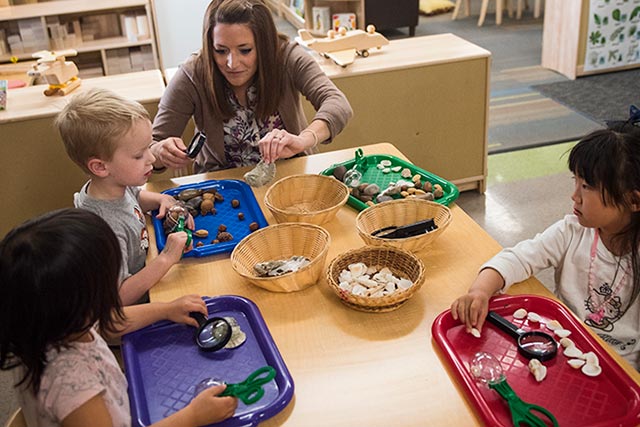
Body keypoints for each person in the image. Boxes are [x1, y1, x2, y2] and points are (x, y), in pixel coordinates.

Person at [0, 208, 237, 427]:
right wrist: (192, 417)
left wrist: (166, 309)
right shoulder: (74, 388)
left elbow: (111, 322)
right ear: (79, 302)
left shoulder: (51, 323)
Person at [451, 128, 640, 370]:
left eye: (587, 187)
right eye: (576, 182)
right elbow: (518, 258)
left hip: (619, 369)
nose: (575, 196)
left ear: (633, 201)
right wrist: (479, 291)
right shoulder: (571, 232)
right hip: (562, 349)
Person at [150, 0, 353, 173]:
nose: (232, 63)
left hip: (292, 176)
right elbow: (151, 146)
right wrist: (160, 153)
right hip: (223, 186)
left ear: (264, 45)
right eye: (220, 51)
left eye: (245, 50)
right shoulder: (193, 73)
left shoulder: (287, 57)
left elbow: (337, 104)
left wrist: (304, 139)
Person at [55, 88, 194, 305]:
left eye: (149, 147)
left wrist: (161, 200)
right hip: (137, 313)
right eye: (139, 155)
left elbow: (135, 196)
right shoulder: (105, 229)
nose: (151, 158)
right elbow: (118, 298)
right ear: (100, 166)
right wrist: (166, 258)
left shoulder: (113, 185)